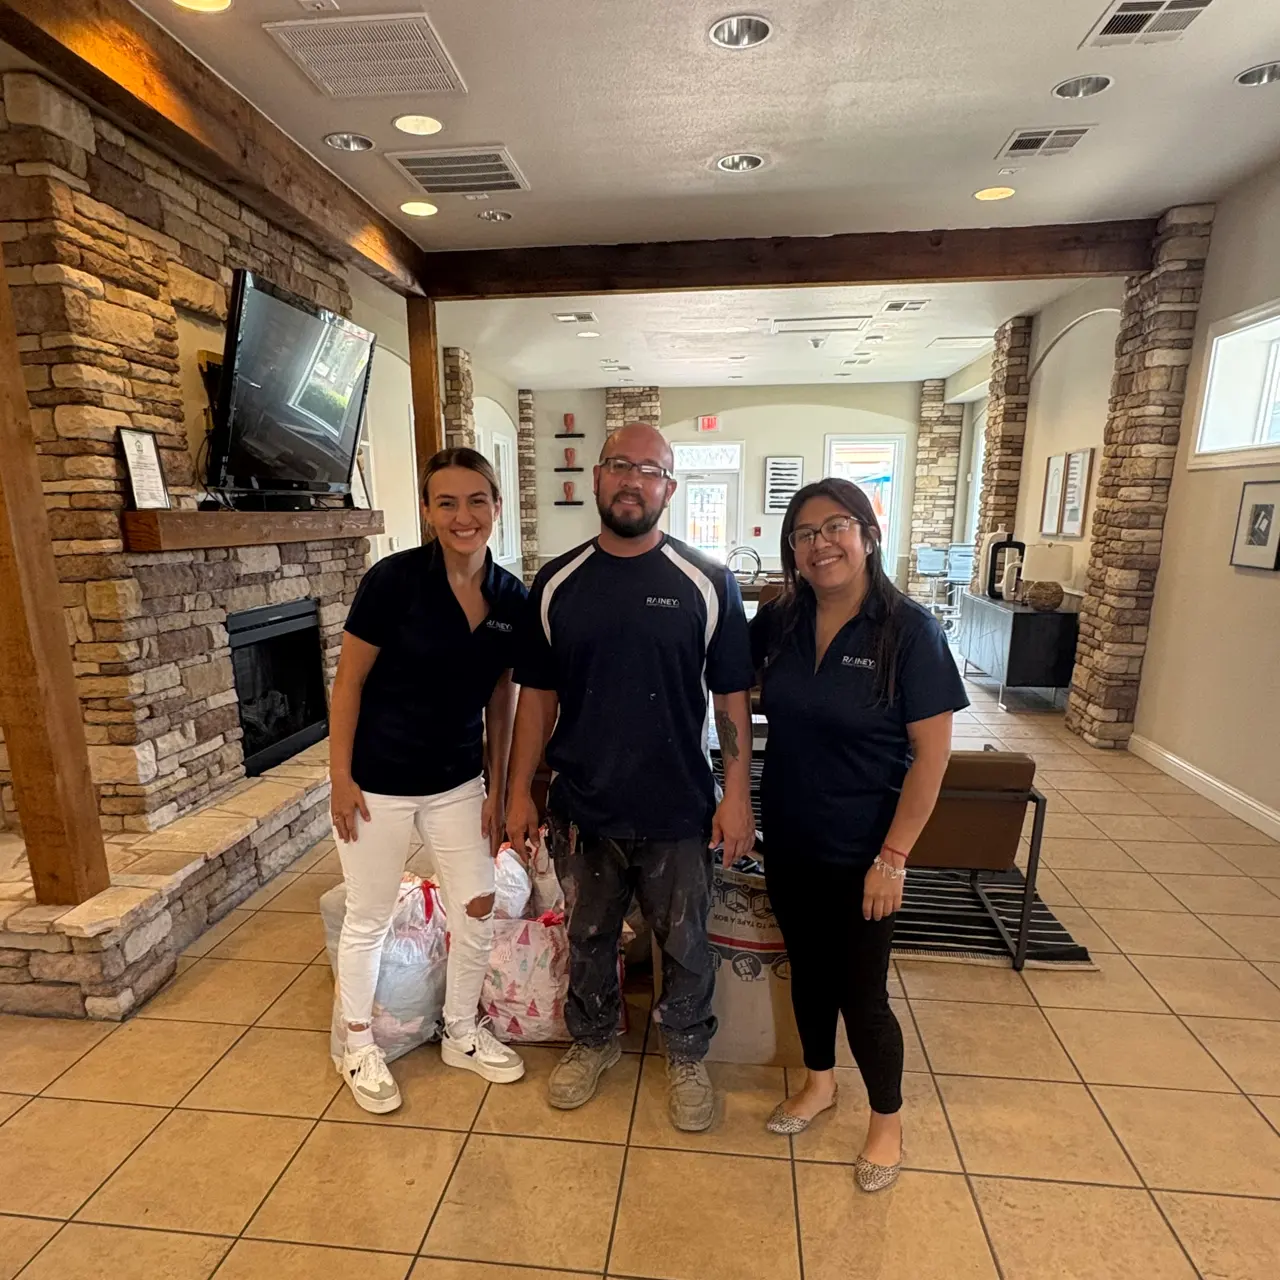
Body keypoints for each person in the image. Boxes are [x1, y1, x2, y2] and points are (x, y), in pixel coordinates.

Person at [506, 422, 756, 1132]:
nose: (632, 480)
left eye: (650, 470)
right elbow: (537, 697)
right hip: (584, 806)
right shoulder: (556, 582)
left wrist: (735, 796)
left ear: (669, 489)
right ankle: (592, 1042)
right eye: (619, 465)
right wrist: (521, 790)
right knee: (587, 936)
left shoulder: (707, 581)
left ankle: (685, 1054)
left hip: (678, 805)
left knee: (685, 940)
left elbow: (730, 696)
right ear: (595, 478)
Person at [749, 478, 966, 1191]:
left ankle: (887, 1121)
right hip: (789, 832)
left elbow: (932, 757)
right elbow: (718, 664)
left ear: (868, 534)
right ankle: (819, 1083)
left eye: (836, 526)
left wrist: (894, 857)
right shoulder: (780, 620)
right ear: (793, 552)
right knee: (806, 971)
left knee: (861, 991)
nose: (821, 544)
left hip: (865, 848)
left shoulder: (909, 631)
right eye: (805, 534)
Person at [328, 447, 527, 1113]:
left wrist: (498, 787)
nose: (463, 515)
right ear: (427, 511)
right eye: (447, 502)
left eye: (477, 500)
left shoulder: (510, 597)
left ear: (496, 508)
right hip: (378, 781)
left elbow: (502, 698)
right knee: (370, 917)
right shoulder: (393, 582)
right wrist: (339, 779)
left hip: (455, 779)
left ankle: (461, 1031)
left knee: (477, 903)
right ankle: (356, 1045)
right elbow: (349, 681)